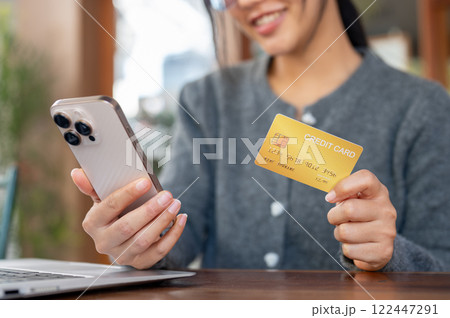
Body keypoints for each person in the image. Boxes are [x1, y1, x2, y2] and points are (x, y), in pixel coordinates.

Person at [71, 0, 450, 271]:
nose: (246, 3)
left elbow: (442, 264)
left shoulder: (422, 107)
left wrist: (389, 253)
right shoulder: (206, 100)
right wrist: (140, 236)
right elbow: (181, 235)